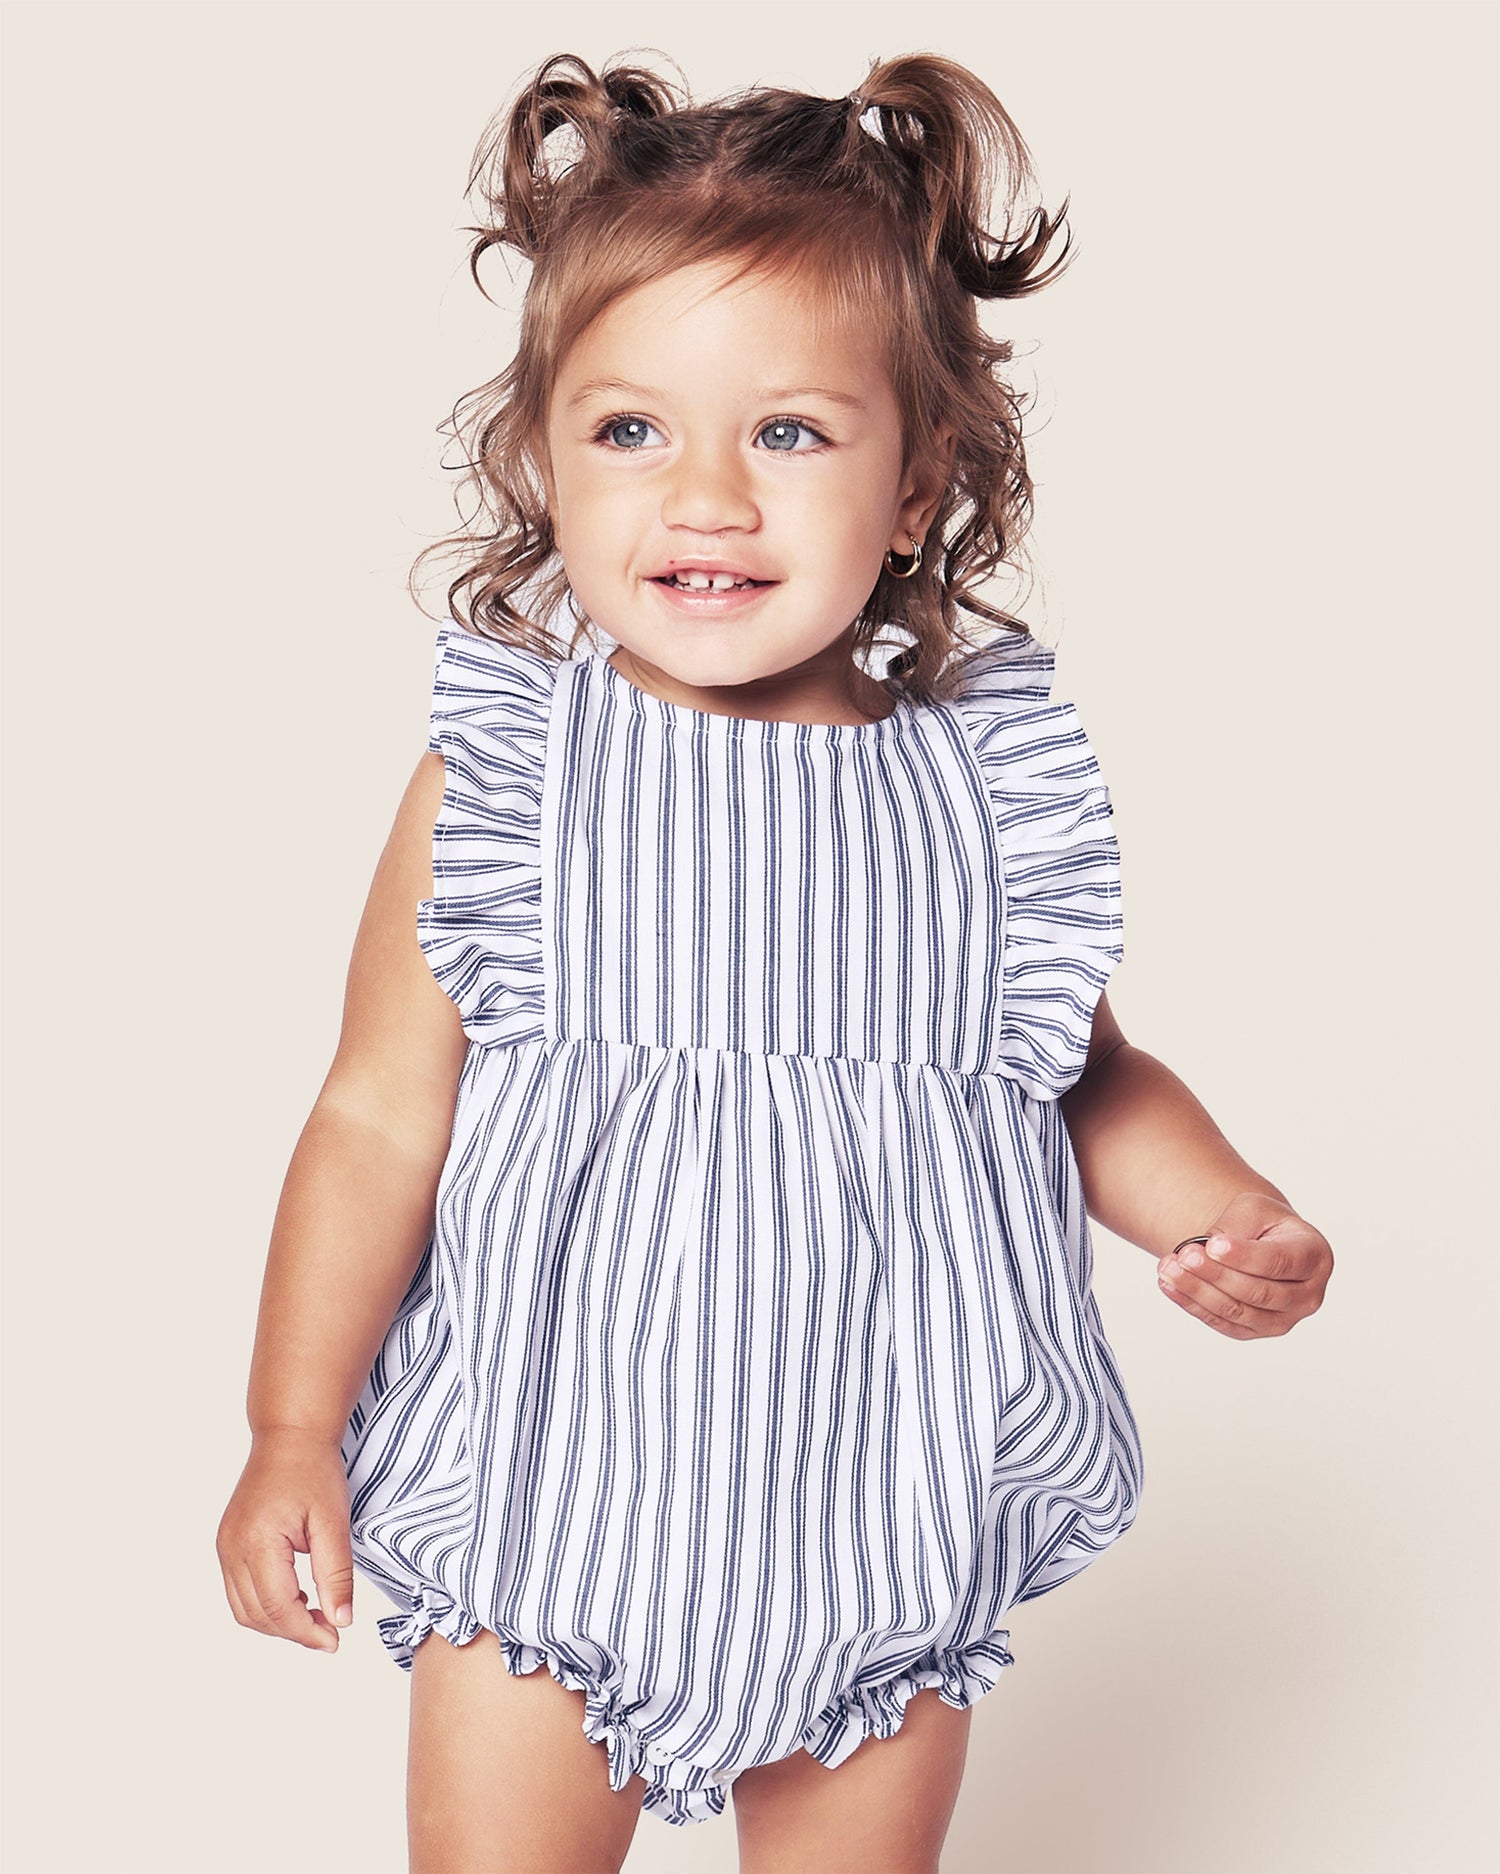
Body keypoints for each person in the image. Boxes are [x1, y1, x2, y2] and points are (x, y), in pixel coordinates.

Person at [215, 48, 1334, 1874]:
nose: (709, 497)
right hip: (550, 1498)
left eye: (792, 433)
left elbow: (1085, 1078)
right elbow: (377, 1117)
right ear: (545, 456)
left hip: (882, 1504)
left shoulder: (977, 792)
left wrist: (1224, 1208)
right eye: (631, 431)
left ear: (917, 482)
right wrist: (291, 1426)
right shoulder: (516, 779)